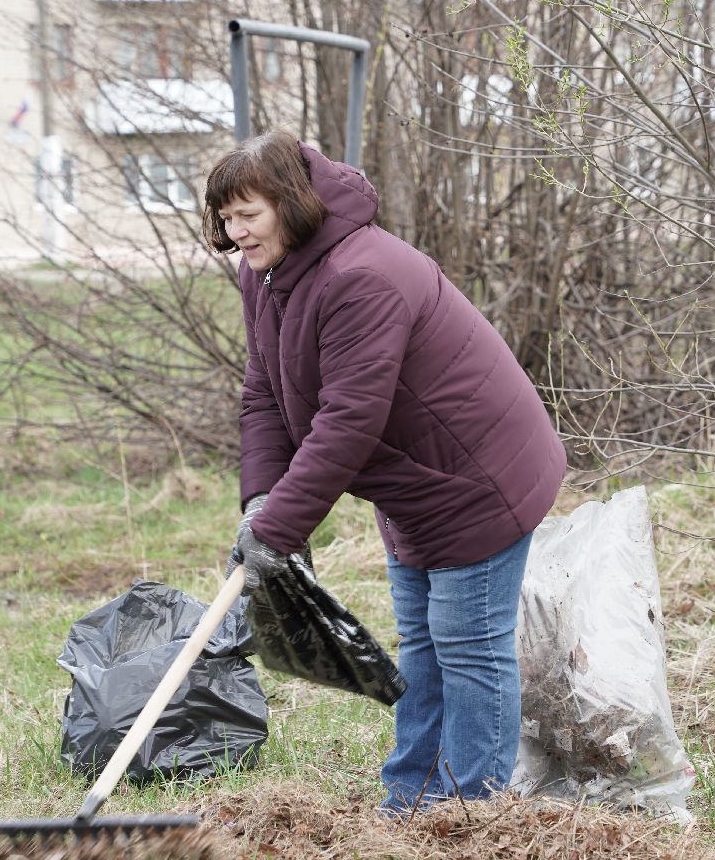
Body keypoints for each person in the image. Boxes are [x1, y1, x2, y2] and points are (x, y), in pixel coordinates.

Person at [205, 131, 566, 815]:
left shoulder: (361, 276)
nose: (235, 231)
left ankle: (471, 815)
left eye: (247, 213)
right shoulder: (267, 275)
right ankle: (409, 803)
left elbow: (347, 420)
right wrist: (261, 504)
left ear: (289, 203)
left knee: (468, 649)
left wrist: (280, 530)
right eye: (226, 219)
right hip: (411, 482)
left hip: (475, 476)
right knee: (423, 646)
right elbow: (264, 392)